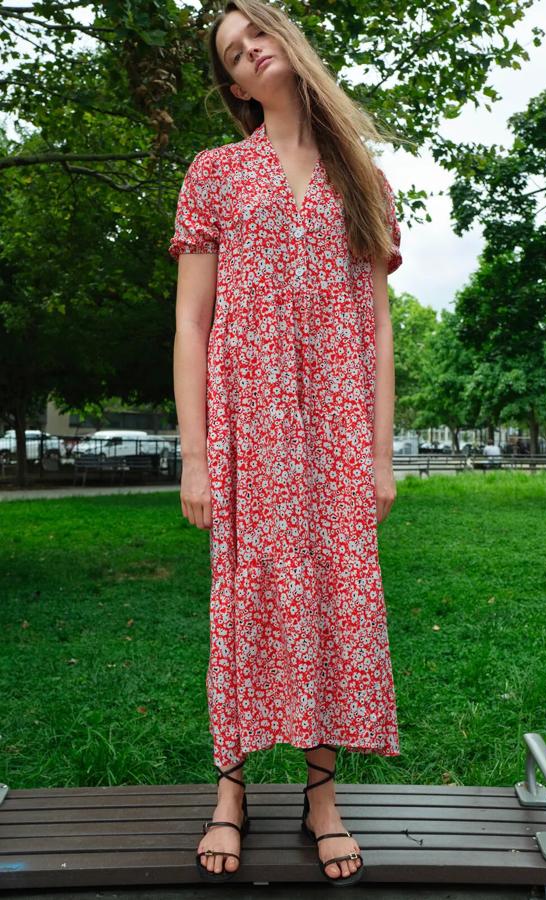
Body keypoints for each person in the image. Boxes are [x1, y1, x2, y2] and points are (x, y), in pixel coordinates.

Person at [169, 0, 403, 885]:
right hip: (246, 426)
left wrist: (380, 454)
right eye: (235, 52)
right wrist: (195, 455)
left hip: (337, 423)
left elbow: (378, 325)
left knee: (336, 597)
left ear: (288, 40)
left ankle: (321, 799)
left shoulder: (362, 178)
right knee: (247, 597)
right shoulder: (217, 173)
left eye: (258, 32)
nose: (251, 51)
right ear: (235, 86)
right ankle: (230, 793)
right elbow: (191, 324)